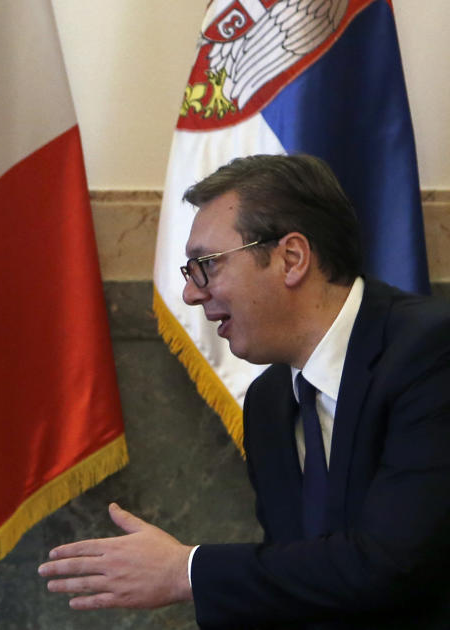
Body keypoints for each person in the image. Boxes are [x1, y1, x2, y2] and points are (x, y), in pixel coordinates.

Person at [38, 154, 450, 628]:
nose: (192, 294)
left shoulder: (431, 354)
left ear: (291, 259)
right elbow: (299, 585)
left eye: (206, 265)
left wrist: (185, 571)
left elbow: (390, 564)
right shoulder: (270, 402)